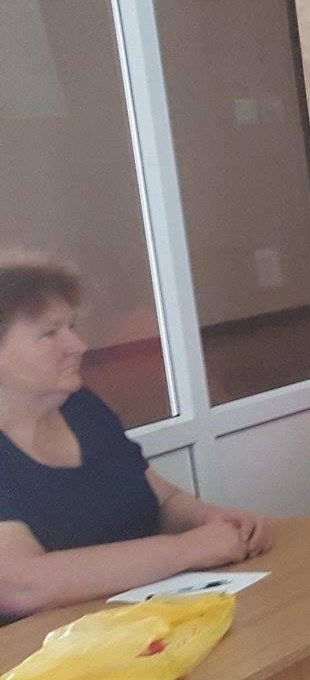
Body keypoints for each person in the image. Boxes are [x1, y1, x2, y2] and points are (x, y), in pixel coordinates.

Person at [0, 256, 271, 622]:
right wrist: (185, 550)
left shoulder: (82, 408)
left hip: (137, 623)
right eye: (50, 333)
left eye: (71, 327)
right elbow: (20, 585)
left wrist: (210, 518)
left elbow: (161, 500)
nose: (78, 345)